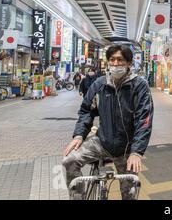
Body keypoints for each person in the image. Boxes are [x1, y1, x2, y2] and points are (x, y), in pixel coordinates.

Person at [62, 44, 154, 200]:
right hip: (102, 142)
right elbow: (86, 110)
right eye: (112, 60)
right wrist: (79, 135)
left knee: (129, 193)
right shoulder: (99, 84)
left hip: (127, 148)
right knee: (69, 160)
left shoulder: (139, 86)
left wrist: (137, 152)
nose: (116, 64)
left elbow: (144, 120)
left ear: (129, 63)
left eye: (120, 60)